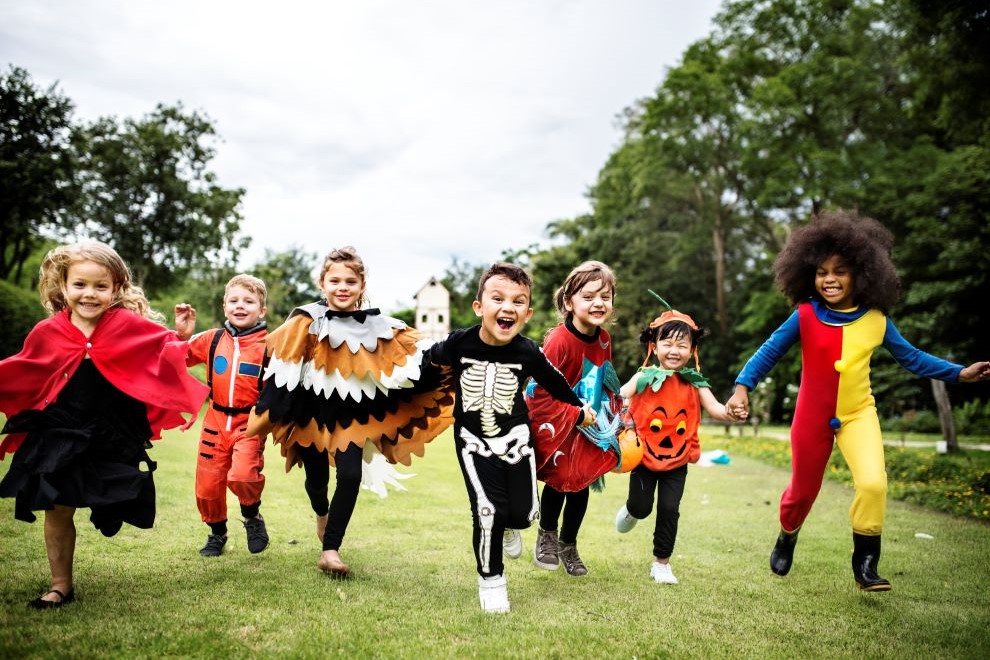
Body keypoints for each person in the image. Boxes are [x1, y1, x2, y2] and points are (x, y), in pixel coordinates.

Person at [725, 211, 990, 591]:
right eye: (821, 272)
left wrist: (959, 372)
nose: (829, 279)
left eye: (840, 271)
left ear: (862, 274)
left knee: (873, 484)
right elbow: (768, 352)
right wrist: (742, 387)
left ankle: (865, 562)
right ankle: (787, 535)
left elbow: (912, 358)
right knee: (802, 492)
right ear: (808, 275)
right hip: (811, 417)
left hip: (858, 414)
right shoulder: (803, 315)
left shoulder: (877, 319)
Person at [0, 241, 209, 608]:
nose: (89, 294)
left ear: (116, 289)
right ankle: (60, 584)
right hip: (60, 429)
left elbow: (163, 354)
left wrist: (180, 337)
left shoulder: (127, 325)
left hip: (111, 431)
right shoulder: (48, 331)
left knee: (112, 503)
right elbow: (25, 367)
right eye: (80, 285)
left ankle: (106, 510)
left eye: (101, 286)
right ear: (62, 286)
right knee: (57, 506)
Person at [246, 246, 452, 578]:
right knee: (316, 481)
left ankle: (330, 550)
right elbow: (277, 361)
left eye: (350, 281)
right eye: (335, 280)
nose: (343, 287)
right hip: (309, 414)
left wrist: (459, 349)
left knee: (351, 476)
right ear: (323, 283)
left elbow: (418, 353)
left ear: (361, 285)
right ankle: (322, 514)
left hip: (353, 417)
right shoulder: (306, 320)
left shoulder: (380, 326)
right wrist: (267, 413)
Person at [421, 262, 596, 613]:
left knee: (522, 514)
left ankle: (508, 525)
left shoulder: (527, 351)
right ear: (479, 306)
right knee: (487, 510)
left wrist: (581, 408)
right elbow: (425, 365)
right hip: (472, 440)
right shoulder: (459, 343)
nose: (507, 307)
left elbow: (555, 381)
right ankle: (491, 579)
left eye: (518, 302)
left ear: (527, 313)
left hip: (516, 438)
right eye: (497, 298)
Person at [614, 305, 741, 585]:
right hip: (644, 457)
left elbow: (716, 409)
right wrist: (613, 404)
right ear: (654, 346)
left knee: (670, 508)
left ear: (692, 349)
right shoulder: (644, 376)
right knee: (642, 506)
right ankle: (633, 511)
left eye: (682, 345)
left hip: (677, 459)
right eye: (667, 343)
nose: (674, 350)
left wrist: (731, 411)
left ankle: (662, 563)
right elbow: (620, 395)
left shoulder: (695, 382)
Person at [525, 260, 622, 577]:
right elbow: (541, 389)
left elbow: (602, 378)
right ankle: (547, 535)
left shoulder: (604, 339)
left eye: (605, 297)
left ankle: (569, 544)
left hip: (589, 426)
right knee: (559, 482)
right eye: (589, 296)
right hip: (560, 423)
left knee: (581, 485)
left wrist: (613, 414)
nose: (598, 303)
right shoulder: (558, 341)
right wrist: (573, 414)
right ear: (569, 301)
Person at [178, 274, 270, 557]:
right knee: (208, 485)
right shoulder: (212, 339)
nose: (240, 306)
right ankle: (217, 534)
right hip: (215, 420)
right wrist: (181, 335)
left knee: (243, 475)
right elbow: (176, 356)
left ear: (262, 310)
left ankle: (252, 517)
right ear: (224, 306)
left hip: (249, 422)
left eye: (249, 301)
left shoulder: (270, 345)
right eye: (234, 300)